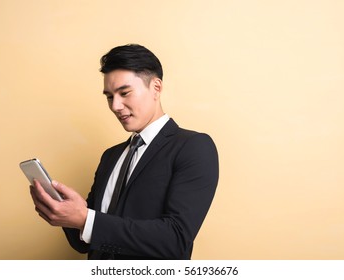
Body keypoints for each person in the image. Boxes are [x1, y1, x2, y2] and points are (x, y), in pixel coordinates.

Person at [29, 44, 219, 260]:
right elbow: (85, 243)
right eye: (109, 96)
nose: (115, 106)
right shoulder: (110, 156)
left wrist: (86, 219)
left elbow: (175, 240)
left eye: (124, 93)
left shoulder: (193, 147)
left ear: (156, 87)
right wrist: (63, 213)